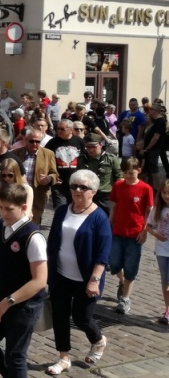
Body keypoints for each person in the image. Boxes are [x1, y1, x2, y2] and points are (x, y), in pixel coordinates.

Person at [0, 184, 48, 378]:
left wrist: (9, 301)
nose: (4, 213)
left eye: (9, 209)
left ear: (23, 207)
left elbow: (40, 281)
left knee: (15, 355)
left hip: (24, 303)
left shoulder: (33, 236)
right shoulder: (0, 227)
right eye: (1, 207)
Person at [45, 169, 112, 375]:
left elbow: (103, 253)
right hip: (60, 274)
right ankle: (63, 357)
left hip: (86, 278)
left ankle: (98, 340)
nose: (78, 190)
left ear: (93, 191)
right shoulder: (62, 211)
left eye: (83, 187)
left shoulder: (99, 217)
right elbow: (52, 242)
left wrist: (94, 279)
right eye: (74, 186)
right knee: (60, 316)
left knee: (82, 317)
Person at [107, 157, 153, 316]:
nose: (128, 177)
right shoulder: (118, 185)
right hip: (118, 231)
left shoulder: (145, 188)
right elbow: (114, 205)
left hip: (135, 233)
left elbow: (149, 211)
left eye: (131, 173)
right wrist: (109, 222)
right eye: (125, 173)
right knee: (113, 263)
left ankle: (125, 298)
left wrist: (145, 230)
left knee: (131, 266)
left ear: (138, 171)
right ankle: (121, 281)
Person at [11, 128, 59, 226]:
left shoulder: (48, 154)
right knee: (16, 224)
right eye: (32, 141)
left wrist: (49, 178)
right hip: (18, 195)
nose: (35, 144)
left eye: (38, 141)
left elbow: (55, 174)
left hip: (37, 196)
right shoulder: (15, 153)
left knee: (33, 225)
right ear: (25, 140)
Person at [46, 120, 86, 208]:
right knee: (60, 208)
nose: (59, 131)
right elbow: (46, 160)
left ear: (71, 130)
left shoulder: (79, 142)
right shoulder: (52, 142)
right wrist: (51, 176)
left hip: (75, 183)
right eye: (58, 129)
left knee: (75, 208)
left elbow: (85, 160)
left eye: (62, 129)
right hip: (59, 183)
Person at [145, 180, 169, 324]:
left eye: (168, 193)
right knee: (165, 283)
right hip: (162, 250)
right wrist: (157, 235)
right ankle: (167, 309)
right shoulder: (158, 209)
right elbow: (148, 226)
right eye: (164, 193)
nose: (166, 196)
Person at [81, 133, 122, 214]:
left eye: (93, 147)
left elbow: (119, 177)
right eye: (88, 147)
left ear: (100, 145)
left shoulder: (110, 159)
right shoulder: (82, 159)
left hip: (105, 197)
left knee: (108, 220)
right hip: (88, 195)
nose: (90, 150)